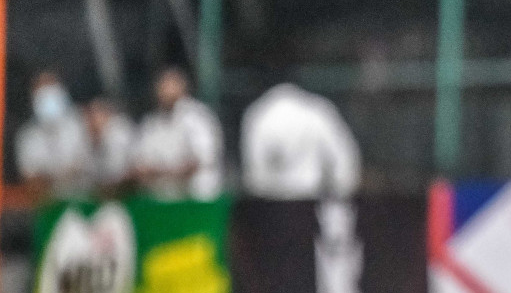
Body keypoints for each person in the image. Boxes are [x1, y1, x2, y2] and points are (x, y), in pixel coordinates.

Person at [241, 82, 361, 199]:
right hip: (304, 199)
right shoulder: (317, 112)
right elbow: (344, 162)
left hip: (282, 203)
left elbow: (255, 175)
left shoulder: (259, 115)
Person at [134, 66, 224, 201]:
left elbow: (198, 163)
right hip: (163, 200)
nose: (165, 90)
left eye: (171, 85)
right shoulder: (151, 123)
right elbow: (141, 167)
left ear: (182, 87)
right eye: (162, 86)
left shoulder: (197, 116)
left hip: (197, 199)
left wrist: (159, 171)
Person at [15, 71, 90, 199]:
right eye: (43, 95)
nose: (49, 99)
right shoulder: (27, 137)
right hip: (51, 204)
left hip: (88, 199)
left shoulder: (83, 124)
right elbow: (32, 182)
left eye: (51, 92)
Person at [82, 97, 137, 195]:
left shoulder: (121, 131)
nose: (93, 121)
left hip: (126, 191)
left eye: (96, 115)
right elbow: (87, 173)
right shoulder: (87, 137)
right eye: (90, 117)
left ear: (107, 115)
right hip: (98, 191)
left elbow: (121, 170)